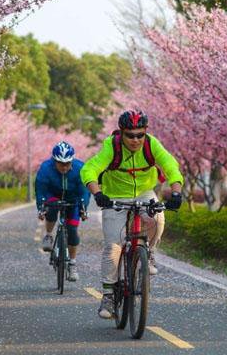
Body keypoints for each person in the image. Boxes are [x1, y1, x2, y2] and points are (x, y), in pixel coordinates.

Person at [80, 109, 183, 319]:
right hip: (114, 196)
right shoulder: (112, 146)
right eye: (130, 135)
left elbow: (171, 166)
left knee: (158, 217)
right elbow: (89, 169)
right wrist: (97, 193)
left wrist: (176, 192)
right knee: (113, 247)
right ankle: (108, 294)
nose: (135, 140)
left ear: (145, 132)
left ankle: (150, 252)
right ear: (121, 133)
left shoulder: (152, 145)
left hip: (144, 192)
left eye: (140, 135)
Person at [35, 141, 90, 282]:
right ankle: (48, 235)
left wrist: (84, 207)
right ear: (54, 161)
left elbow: (84, 191)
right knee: (51, 209)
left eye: (67, 163)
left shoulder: (80, 168)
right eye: (61, 163)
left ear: (72, 161)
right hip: (53, 195)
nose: (64, 167)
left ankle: (72, 264)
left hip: (73, 198)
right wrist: (41, 207)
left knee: (72, 230)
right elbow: (40, 189)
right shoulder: (46, 168)